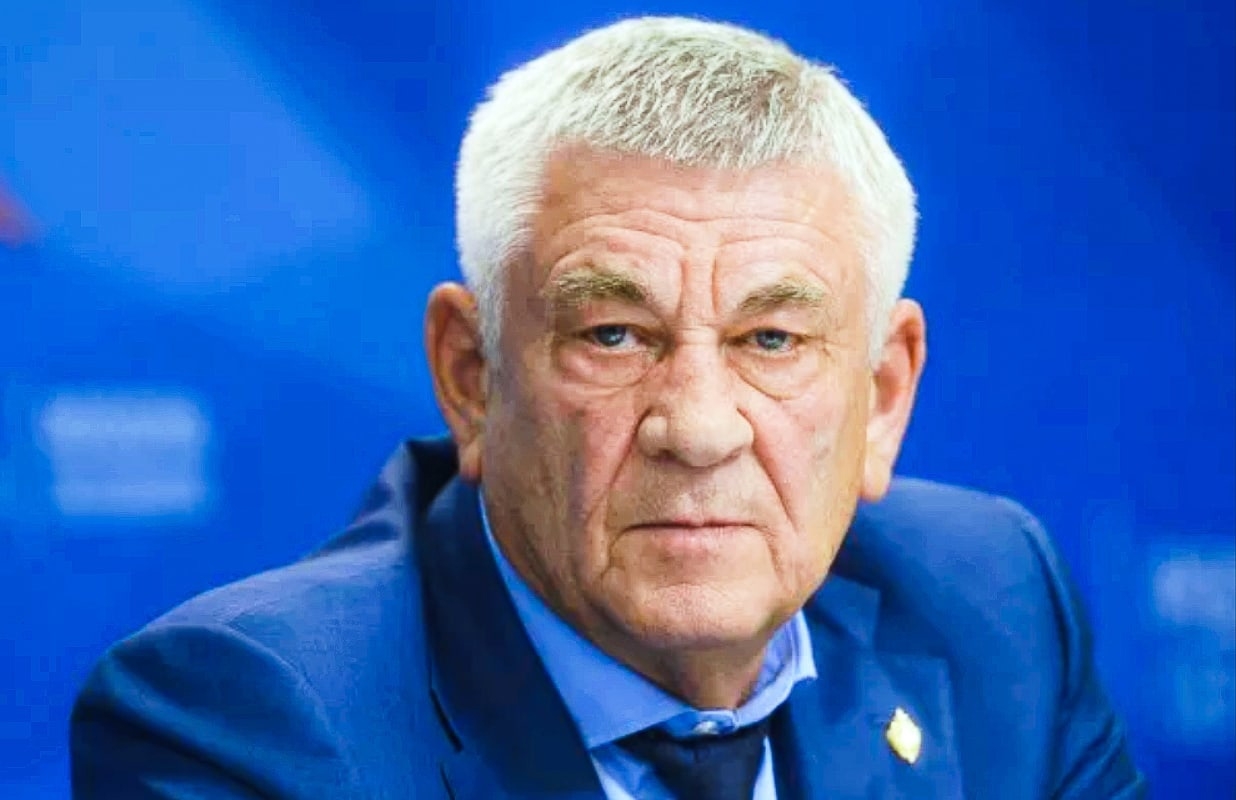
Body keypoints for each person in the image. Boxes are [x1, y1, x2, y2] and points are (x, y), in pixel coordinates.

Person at [70, 16, 1145, 800]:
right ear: (472, 376)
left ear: (882, 397)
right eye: (615, 335)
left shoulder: (995, 609)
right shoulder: (247, 718)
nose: (700, 428)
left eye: (771, 340)